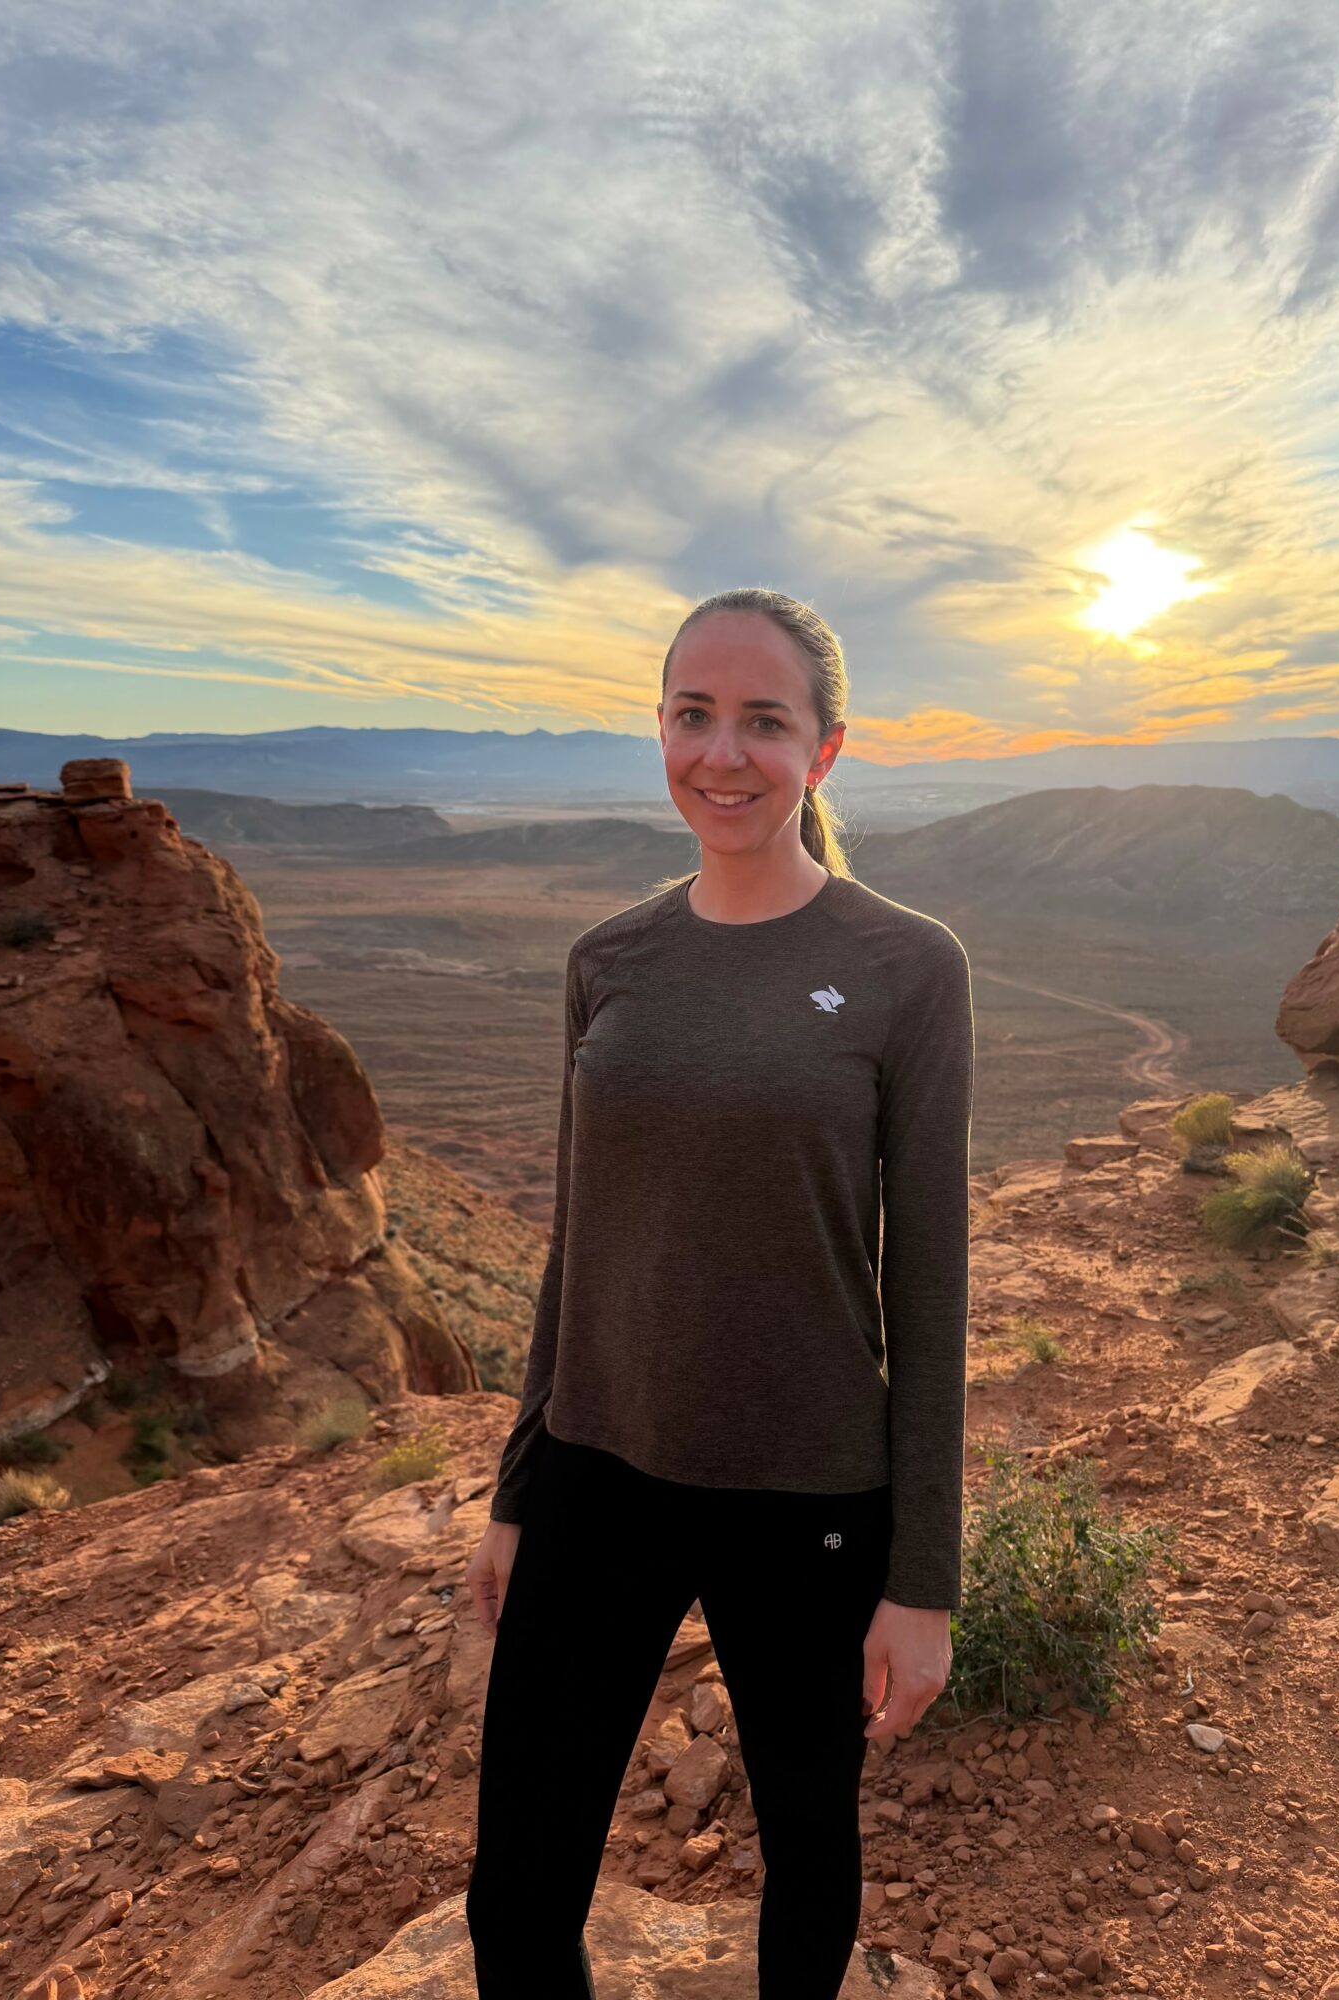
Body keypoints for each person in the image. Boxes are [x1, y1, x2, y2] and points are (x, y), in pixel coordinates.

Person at [463, 587, 975, 1997]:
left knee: (806, 1863)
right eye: (694, 716)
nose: (723, 753)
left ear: (824, 750)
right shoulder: (608, 961)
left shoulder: (907, 967)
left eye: (764, 720)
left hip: (811, 1494)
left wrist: (921, 1581)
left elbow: (931, 1288)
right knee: (517, 1893)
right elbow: (579, 1242)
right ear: (661, 730)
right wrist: (518, 1488)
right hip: (598, 1470)